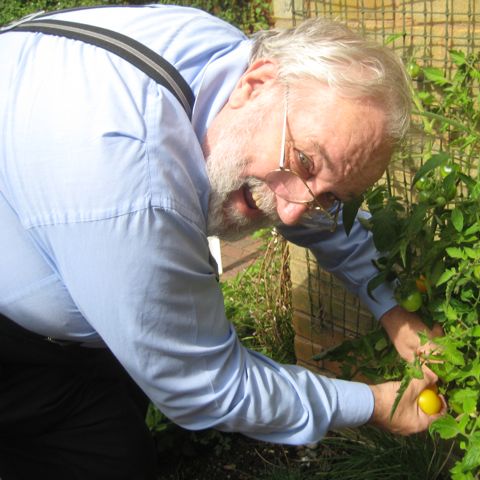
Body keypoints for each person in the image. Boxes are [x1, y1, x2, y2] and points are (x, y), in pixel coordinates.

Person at [0, 4, 444, 479]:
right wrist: (374, 404)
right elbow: (207, 385)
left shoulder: (226, 60)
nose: (295, 213)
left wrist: (395, 312)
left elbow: (312, 201)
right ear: (258, 84)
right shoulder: (131, 179)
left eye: (329, 194)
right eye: (304, 162)